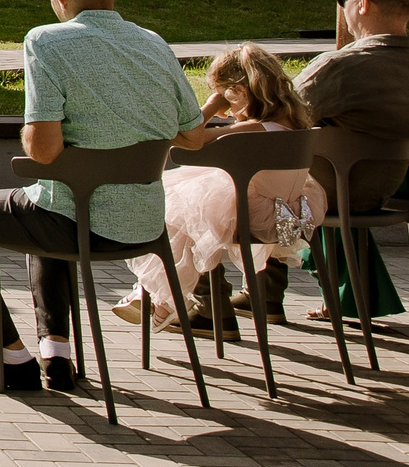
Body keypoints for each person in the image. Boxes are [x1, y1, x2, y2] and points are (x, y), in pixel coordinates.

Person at [0, 0, 206, 392]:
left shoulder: (46, 40)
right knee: (48, 203)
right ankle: (57, 353)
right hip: (144, 225)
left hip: (79, 222)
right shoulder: (155, 44)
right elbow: (194, 136)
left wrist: (43, 134)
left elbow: (43, 152)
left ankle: (4, 356)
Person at [111, 45, 325, 326]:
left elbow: (188, 138)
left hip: (256, 215)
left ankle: (164, 297)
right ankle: (158, 296)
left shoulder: (248, 132)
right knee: (189, 210)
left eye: (226, 96)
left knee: (182, 208)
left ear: (241, 91)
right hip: (291, 212)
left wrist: (211, 106)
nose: (227, 107)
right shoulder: (294, 126)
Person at [288, 0, 409, 323]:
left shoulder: (341, 66)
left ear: (361, 2)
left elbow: (282, 115)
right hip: (391, 189)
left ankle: (236, 298)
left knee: (225, 184)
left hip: (325, 194)